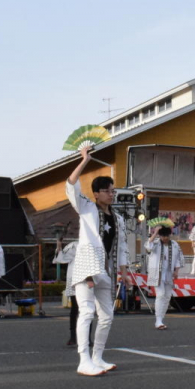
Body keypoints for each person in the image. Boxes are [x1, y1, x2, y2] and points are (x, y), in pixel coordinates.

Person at [67, 145, 129, 376]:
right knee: (86, 313)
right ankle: (84, 360)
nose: (111, 194)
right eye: (107, 190)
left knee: (107, 317)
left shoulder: (119, 218)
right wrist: (84, 160)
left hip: (107, 272)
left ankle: (97, 357)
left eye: (113, 191)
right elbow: (71, 184)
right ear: (96, 193)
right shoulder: (86, 208)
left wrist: (123, 272)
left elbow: (121, 247)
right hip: (87, 268)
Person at [145, 225, 184, 329]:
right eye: (162, 236)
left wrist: (176, 271)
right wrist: (155, 232)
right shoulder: (156, 243)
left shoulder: (175, 245)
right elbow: (148, 246)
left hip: (169, 273)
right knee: (161, 294)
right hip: (157, 273)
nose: (165, 238)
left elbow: (178, 258)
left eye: (166, 236)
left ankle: (161, 319)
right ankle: (158, 320)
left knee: (167, 296)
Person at [54, 237, 80, 346]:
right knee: (76, 308)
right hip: (75, 279)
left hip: (88, 279)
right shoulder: (73, 245)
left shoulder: (92, 244)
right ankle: (73, 337)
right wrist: (59, 247)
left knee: (87, 310)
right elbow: (61, 259)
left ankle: (86, 338)